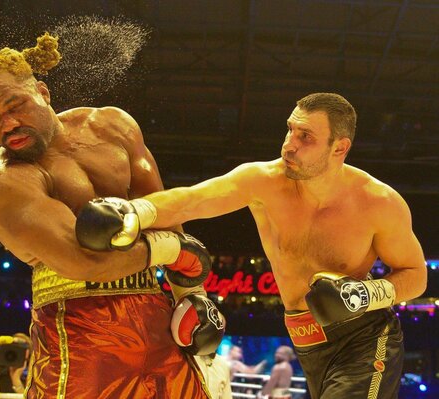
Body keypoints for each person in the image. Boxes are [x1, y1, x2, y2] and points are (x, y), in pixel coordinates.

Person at [76, 92, 428, 399]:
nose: (289, 143)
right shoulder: (264, 182)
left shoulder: (379, 203)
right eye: (290, 128)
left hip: (364, 335)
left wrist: (363, 296)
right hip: (306, 339)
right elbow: (192, 200)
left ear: (339, 147)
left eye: (305, 136)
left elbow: (415, 276)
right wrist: (135, 211)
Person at [0, 33, 224, 398]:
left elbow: (162, 211)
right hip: (78, 328)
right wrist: (174, 252)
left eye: (15, 106)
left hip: (156, 314)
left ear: (43, 91)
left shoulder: (112, 126)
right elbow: (84, 260)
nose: (7, 125)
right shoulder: (4, 182)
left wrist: (191, 292)